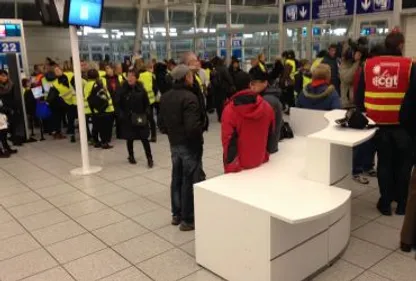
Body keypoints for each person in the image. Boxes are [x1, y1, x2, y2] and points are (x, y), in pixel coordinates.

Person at [356, 30, 414, 216]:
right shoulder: (409, 65)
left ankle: (386, 203)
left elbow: (359, 97)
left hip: (378, 124)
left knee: (384, 163)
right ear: (400, 46)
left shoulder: (368, 65)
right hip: (404, 126)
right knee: (404, 165)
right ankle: (403, 204)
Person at [158, 64, 205, 231]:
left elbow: (161, 125)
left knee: (176, 177)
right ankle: (188, 219)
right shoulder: (189, 97)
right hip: (189, 145)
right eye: (191, 76)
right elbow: (192, 127)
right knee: (188, 180)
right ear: (186, 77)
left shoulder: (165, 97)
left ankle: (176, 214)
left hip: (174, 143)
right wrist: (198, 139)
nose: (193, 78)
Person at [221, 71, 276, 173]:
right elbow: (271, 134)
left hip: (239, 167)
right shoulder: (267, 107)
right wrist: (266, 154)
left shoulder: (229, 111)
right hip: (261, 161)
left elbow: (228, 141)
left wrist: (231, 167)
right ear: (250, 84)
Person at [118, 70, 154, 168]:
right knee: (130, 138)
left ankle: (149, 158)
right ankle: (131, 155)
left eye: (132, 76)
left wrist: (147, 113)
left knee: (144, 138)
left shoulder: (141, 90)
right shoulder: (122, 90)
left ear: (136, 78)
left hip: (140, 117)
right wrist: (121, 114)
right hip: (128, 118)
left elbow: (147, 104)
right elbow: (118, 103)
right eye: (128, 75)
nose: (130, 78)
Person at [249, 66, 282, 152]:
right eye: (250, 83)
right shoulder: (264, 96)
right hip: (265, 146)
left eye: (254, 83)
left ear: (265, 83)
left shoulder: (268, 100)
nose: (251, 86)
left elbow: (260, 126)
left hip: (266, 148)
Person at [84, 69, 115, 149]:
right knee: (105, 127)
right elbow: (106, 95)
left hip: (93, 109)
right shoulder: (99, 83)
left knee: (96, 126)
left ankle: (96, 141)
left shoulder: (86, 85)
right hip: (105, 109)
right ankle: (105, 142)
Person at [52, 65, 77, 142]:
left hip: (76, 100)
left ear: (61, 69)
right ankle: (72, 135)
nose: (57, 72)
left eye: (58, 70)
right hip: (67, 102)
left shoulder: (70, 75)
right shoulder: (55, 83)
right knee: (70, 119)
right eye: (55, 71)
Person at [210, 56, 235, 122]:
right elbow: (228, 77)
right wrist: (232, 84)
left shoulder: (213, 69)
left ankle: (220, 117)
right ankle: (224, 116)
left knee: (218, 103)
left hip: (216, 88)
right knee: (223, 102)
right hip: (223, 88)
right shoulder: (223, 68)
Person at [138, 62, 157, 142]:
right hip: (151, 100)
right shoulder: (151, 75)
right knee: (151, 118)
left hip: (142, 100)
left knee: (142, 117)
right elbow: (155, 88)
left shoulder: (138, 76)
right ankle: (153, 135)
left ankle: (143, 134)